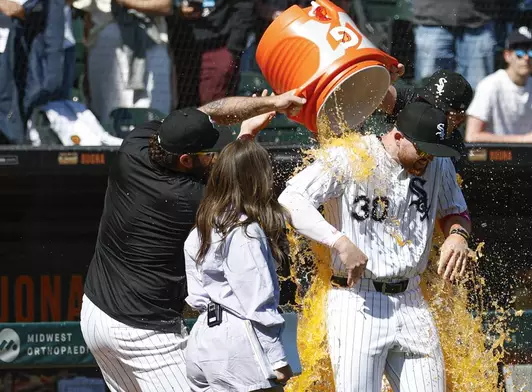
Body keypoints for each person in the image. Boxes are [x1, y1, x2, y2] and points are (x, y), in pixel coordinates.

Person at [79, 91, 305, 392]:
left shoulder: (137, 143)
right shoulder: (190, 198)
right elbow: (240, 191)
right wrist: (246, 138)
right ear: (186, 160)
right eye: (209, 152)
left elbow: (207, 111)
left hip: (95, 313)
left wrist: (270, 104)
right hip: (143, 333)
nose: (216, 155)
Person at [278, 102, 472, 392]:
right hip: (358, 300)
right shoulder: (350, 155)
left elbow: (456, 211)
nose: (429, 158)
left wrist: (458, 235)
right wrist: (339, 240)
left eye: (435, 151)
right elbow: (290, 200)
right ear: (397, 137)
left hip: (411, 299)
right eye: (423, 150)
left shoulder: (438, 164)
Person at [184, 137, 293, 391]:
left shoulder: (203, 225)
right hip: (239, 344)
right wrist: (277, 357)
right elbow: (257, 302)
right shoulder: (245, 230)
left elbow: (197, 296)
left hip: (203, 340)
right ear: (256, 179)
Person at [465, 27, 532, 143]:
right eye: (520, 53)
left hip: (530, 158)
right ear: (507, 56)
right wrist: (523, 140)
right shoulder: (489, 85)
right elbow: (472, 136)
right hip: (497, 158)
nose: (526, 58)